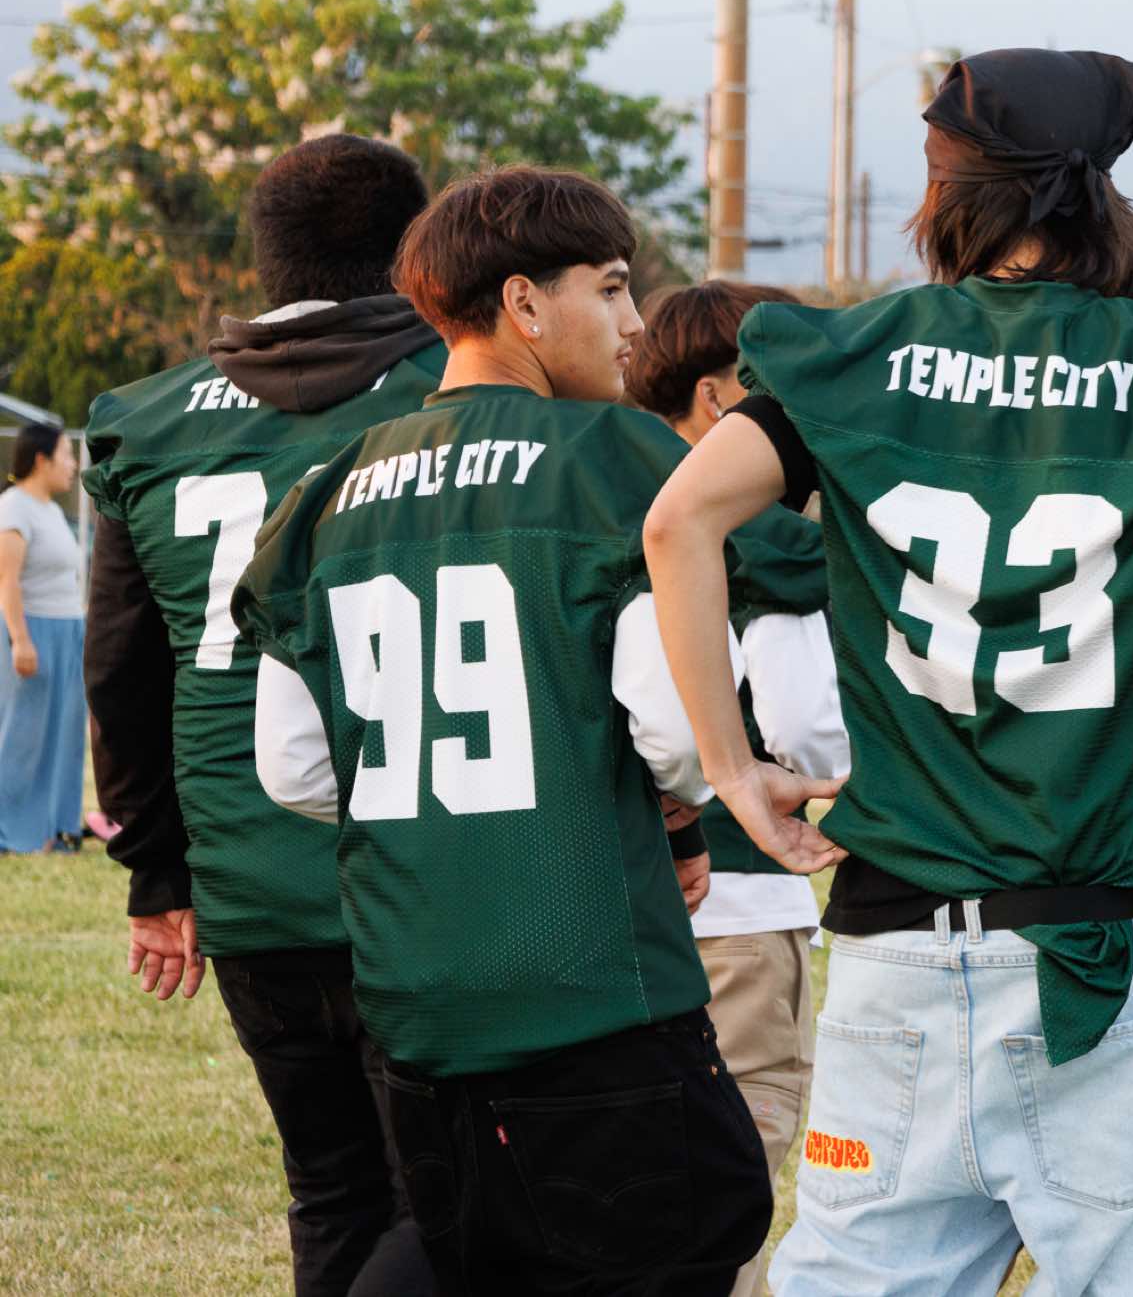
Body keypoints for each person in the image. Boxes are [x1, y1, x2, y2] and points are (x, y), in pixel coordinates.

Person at [643, 49, 1133, 1296]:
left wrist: (730, 771)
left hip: (891, 946)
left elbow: (676, 521)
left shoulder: (855, 356)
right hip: (1087, 945)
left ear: (951, 191)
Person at [233, 166, 773, 1294]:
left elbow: (292, 766)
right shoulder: (615, 457)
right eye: (612, 288)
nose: (634, 323)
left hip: (419, 1003)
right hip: (594, 990)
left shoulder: (326, 489)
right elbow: (678, 737)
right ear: (524, 302)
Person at [81, 134, 442, 1295]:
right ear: (414, 251)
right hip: (433, 861)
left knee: (332, 1189)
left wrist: (156, 872)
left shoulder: (147, 418)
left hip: (247, 873)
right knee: (444, 1205)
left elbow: (122, 668)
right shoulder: (460, 391)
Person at [625, 279, 851, 1297]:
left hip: (614, 910)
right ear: (721, 397)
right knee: (728, 1203)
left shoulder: (598, 501)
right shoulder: (770, 540)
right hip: (740, 903)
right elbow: (809, 727)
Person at [0, 424, 85, 855]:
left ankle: (58, 827)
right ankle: (9, 831)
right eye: (67, 454)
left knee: (65, 734)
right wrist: (20, 640)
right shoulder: (14, 507)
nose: (74, 464)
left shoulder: (51, 509)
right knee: (24, 735)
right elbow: (7, 581)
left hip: (69, 630)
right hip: (33, 630)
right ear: (41, 459)